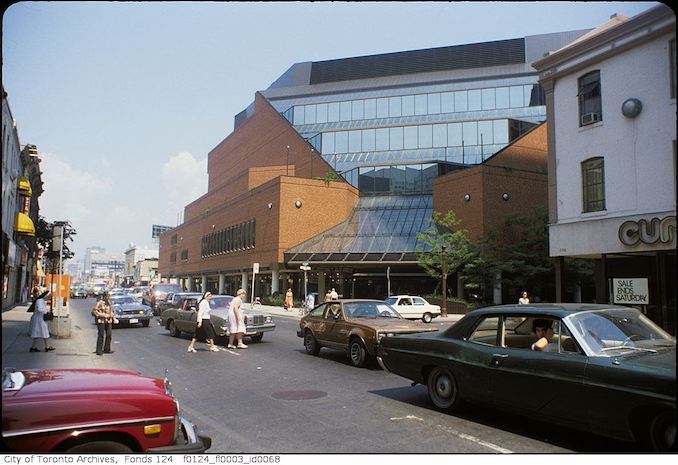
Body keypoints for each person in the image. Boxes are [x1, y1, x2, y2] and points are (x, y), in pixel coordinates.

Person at [28, 286, 54, 352]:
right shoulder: (40, 301)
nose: (49, 298)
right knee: (43, 332)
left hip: (41, 319)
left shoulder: (42, 301)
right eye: (49, 297)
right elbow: (39, 309)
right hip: (40, 320)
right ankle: (46, 347)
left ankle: (34, 347)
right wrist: (46, 312)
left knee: (38, 333)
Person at [92, 291, 117, 355]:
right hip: (101, 321)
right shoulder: (100, 303)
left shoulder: (109, 303)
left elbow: (110, 311)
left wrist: (113, 318)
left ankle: (107, 349)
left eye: (109, 296)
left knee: (109, 335)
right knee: (101, 335)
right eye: (107, 296)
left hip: (108, 321)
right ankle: (99, 350)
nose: (108, 297)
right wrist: (103, 315)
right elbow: (94, 311)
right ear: (104, 296)